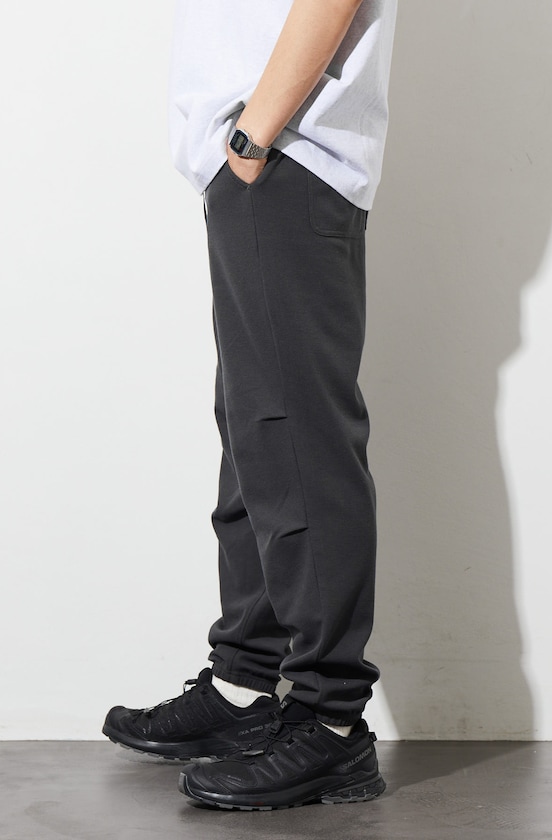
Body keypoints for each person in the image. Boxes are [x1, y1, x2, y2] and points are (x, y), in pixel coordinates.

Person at [103, 0, 397, 810]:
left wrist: (253, 136)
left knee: (299, 437)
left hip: (290, 152)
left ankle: (331, 721)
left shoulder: (271, 149)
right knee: (256, 435)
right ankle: (246, 683)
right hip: (265, 156)